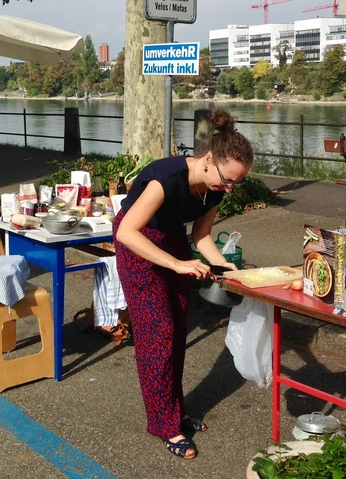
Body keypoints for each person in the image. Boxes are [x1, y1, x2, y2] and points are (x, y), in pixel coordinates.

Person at [113, 109, 254, 460]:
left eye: (237, 182)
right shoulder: (167, 177)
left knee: (177, 329)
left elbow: (202, 236)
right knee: (157, 333)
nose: (229, 187)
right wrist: (178, 263)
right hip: (138, 241)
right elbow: (127, 231)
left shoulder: (216, 188)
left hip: (172, 239)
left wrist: (227, 269)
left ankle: (173, 411)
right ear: (208, 160)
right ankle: (164, 424)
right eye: (226, 179)